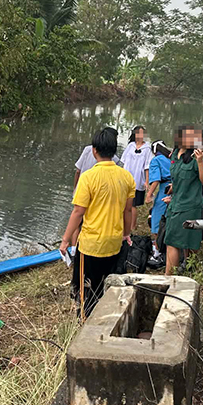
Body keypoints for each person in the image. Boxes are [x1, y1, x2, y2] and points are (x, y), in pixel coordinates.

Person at [60, 127, 136, 318]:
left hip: (91, 245)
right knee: (105, 284)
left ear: (94, 150)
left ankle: (85, 321)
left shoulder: (88, 177)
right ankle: (104, 316)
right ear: (114, 151)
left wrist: (65, 240)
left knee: (85, 288)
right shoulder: (126, 177)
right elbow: (128, 211)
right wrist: (126, 234)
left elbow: (78, 212)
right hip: (114, 243)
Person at [162, 125, 203, 275]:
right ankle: (183, 272)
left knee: (173, 242)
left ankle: (168, 278)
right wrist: (173, 188)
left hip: (189, 206)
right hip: (175, 204)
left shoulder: (196, 157)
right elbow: (178, 177)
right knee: (177, 241)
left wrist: (200, 162)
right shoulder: (175, 154)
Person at [120, 125, 153, 231]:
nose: (141, 135)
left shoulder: (147, 148)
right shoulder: (130, 146)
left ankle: (132, 226)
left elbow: (147, 166)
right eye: (139, 133)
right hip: (126, 178)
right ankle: (122, 223)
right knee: (123, 202)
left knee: (133, 205)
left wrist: (147, 181)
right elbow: (123, 162)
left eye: (142, 133)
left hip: (138, 179)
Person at [145, 140, 172, 266]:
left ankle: (158, 252)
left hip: (164, 190)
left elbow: (155, 180)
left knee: (157, 222)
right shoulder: (171, 158)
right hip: (175, 189)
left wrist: (149, 194)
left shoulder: (156, 160)